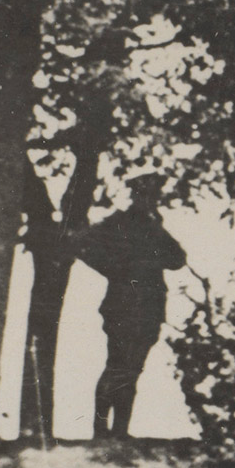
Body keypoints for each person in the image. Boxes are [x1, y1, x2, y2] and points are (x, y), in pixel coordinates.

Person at [71, 172, 186, 439]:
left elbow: (178, 259)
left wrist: (156, 233)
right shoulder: (119, 223)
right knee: (119, 365)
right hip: (124, 305)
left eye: (153, 196)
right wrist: (115, 269)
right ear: (136, 196)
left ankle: (119, 430)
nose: (150, 201)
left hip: (149, 306)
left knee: (131, 368)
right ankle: (101, 430)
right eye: (145, 195)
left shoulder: (152, 226)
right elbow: (81, 243)